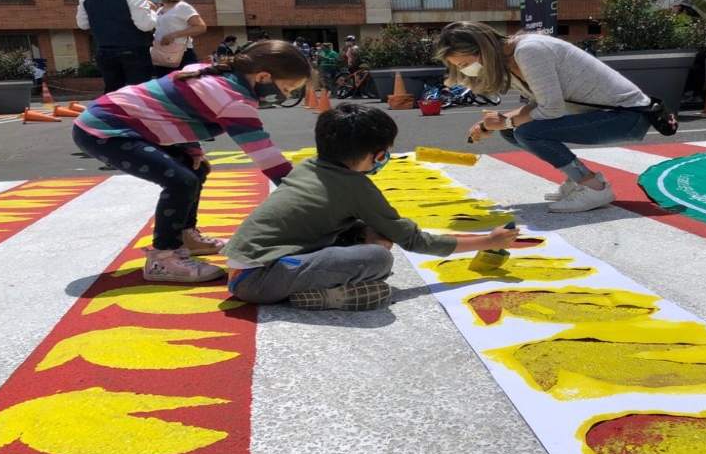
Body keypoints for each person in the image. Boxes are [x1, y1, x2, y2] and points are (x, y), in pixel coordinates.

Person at [222, 103, 521, 311]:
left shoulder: (309, 166)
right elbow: (415, 240)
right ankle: (328, 296)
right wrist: (489, 240)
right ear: (376, 155)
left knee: (365, 229)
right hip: (258, 280)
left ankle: (316, 278)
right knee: (377, 258)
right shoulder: (358, 187)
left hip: (247, 267)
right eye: (384, 155)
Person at [72, 41, 310, 283]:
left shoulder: (215, 75)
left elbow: (172, 110)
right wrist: (300, 190)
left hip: (127, 124)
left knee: (196, 168)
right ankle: (163, 258)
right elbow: (265, 154)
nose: (286, 95)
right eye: (287, 88)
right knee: (180, 181)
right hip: (104, 130)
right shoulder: (233, 99)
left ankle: (184, 235)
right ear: (264, 77)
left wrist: (191, 149)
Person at [436, 21, 676, 213]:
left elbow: (551, 110)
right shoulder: (512, 57)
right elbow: (539, 103)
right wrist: (494, 123)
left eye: (466, 62)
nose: (467, 69)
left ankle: (595, 188)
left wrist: (506, 120)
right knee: (512, 130)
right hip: (610, 114)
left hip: (628, 116)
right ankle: (578, 179)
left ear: (483, 49)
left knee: (527, 131)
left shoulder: (529, 51)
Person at [76, 0, 156, 93]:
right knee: (139, 93)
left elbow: (83, 24)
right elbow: (146, 25)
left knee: (113, 93)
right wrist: (153, 12)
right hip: (134, 50)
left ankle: (112, 114)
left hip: (104, 51)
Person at [148, 0, 206, 78]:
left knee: (187, 83)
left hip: (182, 53)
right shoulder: (160, 9)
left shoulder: (182, 7)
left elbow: (200, 27)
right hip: (162, 53)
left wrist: (174, 35)